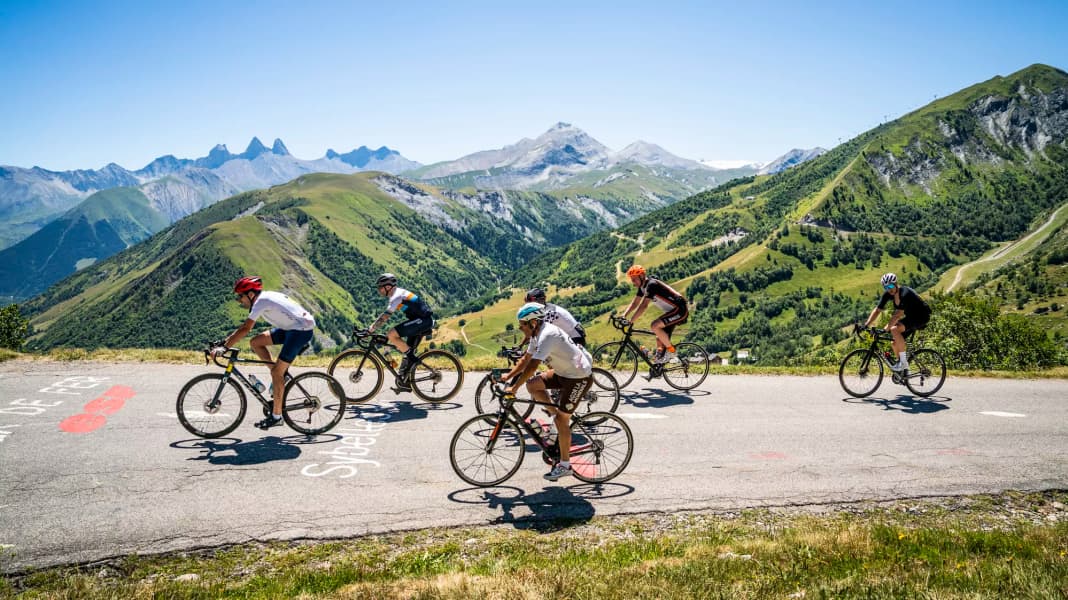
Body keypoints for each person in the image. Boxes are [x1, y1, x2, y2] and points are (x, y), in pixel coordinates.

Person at [496, 302, 594, 481]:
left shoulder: (547, 335)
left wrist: (514, 388)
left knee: (561, 419)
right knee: (533, 385)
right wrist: (508, 377)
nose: (520, 329)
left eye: (522, 325)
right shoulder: (536, 334)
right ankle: (556, 428)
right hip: (564, 373)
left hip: (579, 377)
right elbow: (526, 358)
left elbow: (533, 366)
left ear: (533, 323)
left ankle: (565, 465)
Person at [215, 276, 316, 429]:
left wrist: (225, 347)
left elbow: (245, 328)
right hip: (291, 327)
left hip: (300, 331)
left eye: (240, 296)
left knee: (277, 373)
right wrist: (224, 342)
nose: (238, 300)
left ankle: (276, 416)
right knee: (255, 342)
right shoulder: (262, 298)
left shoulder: (260, 302)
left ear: (250, 294)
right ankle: (279, 377)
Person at [368, 273, 434, 391]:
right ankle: (405, 381)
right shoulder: (396, 294)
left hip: (423, 321)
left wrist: (371, 329)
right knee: (405, 350)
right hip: (419, 320)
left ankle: (413, 359)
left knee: (391, 334)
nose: (379, 290)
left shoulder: (396, 296)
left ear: (388, 287)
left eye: (381, 287)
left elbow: (385, 317)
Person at [862, 272, 931, 372]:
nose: (889, 289)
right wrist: (866, 325)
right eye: (885, 287)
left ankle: (903, 363)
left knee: (894, 329)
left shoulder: (905, 293)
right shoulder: (888, 294)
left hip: (921, 316)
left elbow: (897, 315)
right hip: (911, 317)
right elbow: (877, 310)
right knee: (894, 343)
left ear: (896, 284)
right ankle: (904, 370)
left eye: (890, 286)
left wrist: (885, 329)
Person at [619, 265, 689, 363]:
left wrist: (631, 321)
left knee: (655, 325)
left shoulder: (651, 285)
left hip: (680, 309)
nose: (633, 282)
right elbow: (635, 303)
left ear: (642, 276)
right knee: (659, 338)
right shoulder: (642, 287)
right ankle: (658, 369)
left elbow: (643, 305)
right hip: (672, 311)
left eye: (634, 279)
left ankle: (672, 352)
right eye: (632, 280)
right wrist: (624, 315)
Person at [520, 287, 587, 347]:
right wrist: (520, 346)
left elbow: (536, 332)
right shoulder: (546, 308)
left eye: (530, 303)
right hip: (569, 337)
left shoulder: (549, 313)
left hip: (575, 339)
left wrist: (523, 348)